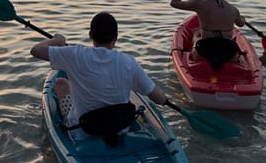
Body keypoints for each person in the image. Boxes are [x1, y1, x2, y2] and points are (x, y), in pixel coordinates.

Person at [30, 12, 166, 134]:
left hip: (83, 130)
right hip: (120, 129)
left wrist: (57, 41)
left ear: (90, 35)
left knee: (60, 83)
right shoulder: (129, 62)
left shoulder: (75, 55)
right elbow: (158, 98)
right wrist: (165, 99)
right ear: (116, 37)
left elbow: (36, 50)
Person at [170, 0, 245, 63]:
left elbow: (174, 3)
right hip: (229, 54)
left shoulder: (200, 5)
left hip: (204, 52)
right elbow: (241, 24)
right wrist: (242, 18)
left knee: (197, 33)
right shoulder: (233, 10)